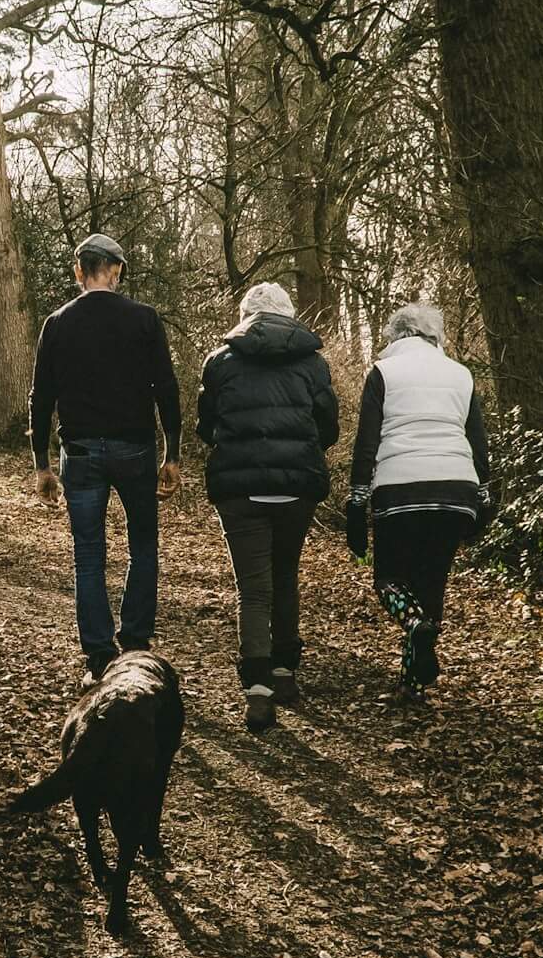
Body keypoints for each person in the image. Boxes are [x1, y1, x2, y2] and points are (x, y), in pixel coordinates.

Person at [30, 233, 183, 683]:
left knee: (89, 556)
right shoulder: (144, 320)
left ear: (80, 271)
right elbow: (167, 390)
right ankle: (135, 644)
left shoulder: (57, 324)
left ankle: (99, 659)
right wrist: (172, 454)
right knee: (143, 546)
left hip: (78, 453)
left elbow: (42, 399)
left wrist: (41, 464)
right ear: (115, 271)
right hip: (135, 448)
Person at [195, 282, 337, 732]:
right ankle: (284, 672)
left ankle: (257, 690)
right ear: (288, 315)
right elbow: (327, 428)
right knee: (285, 575)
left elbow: (206, 425)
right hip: (296, 484)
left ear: (245, 316)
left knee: (253, 587)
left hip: (240, 487)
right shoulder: (313, 363)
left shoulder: (220, 362)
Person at [345, 301, 495, 699]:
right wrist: (485, 496)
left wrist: (357, 502)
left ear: (395, 336)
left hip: (400, 489)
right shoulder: (461, 374)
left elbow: (367, 443)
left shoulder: (383, 372)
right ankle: (412, 684)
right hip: (455, 489)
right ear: (435, 337)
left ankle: (413, 627)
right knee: (432, 583)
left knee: (390, 580)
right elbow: (478, 444)